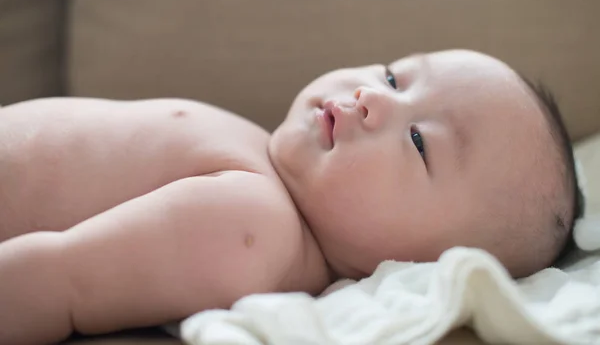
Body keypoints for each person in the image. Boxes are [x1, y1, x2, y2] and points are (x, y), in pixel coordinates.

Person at [0, 49, 581, 345]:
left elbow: (60, 280)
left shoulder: (255, 229)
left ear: (419, 264)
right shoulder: (265, 170)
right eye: (394, 76)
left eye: (419, 142)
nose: (371, 97)